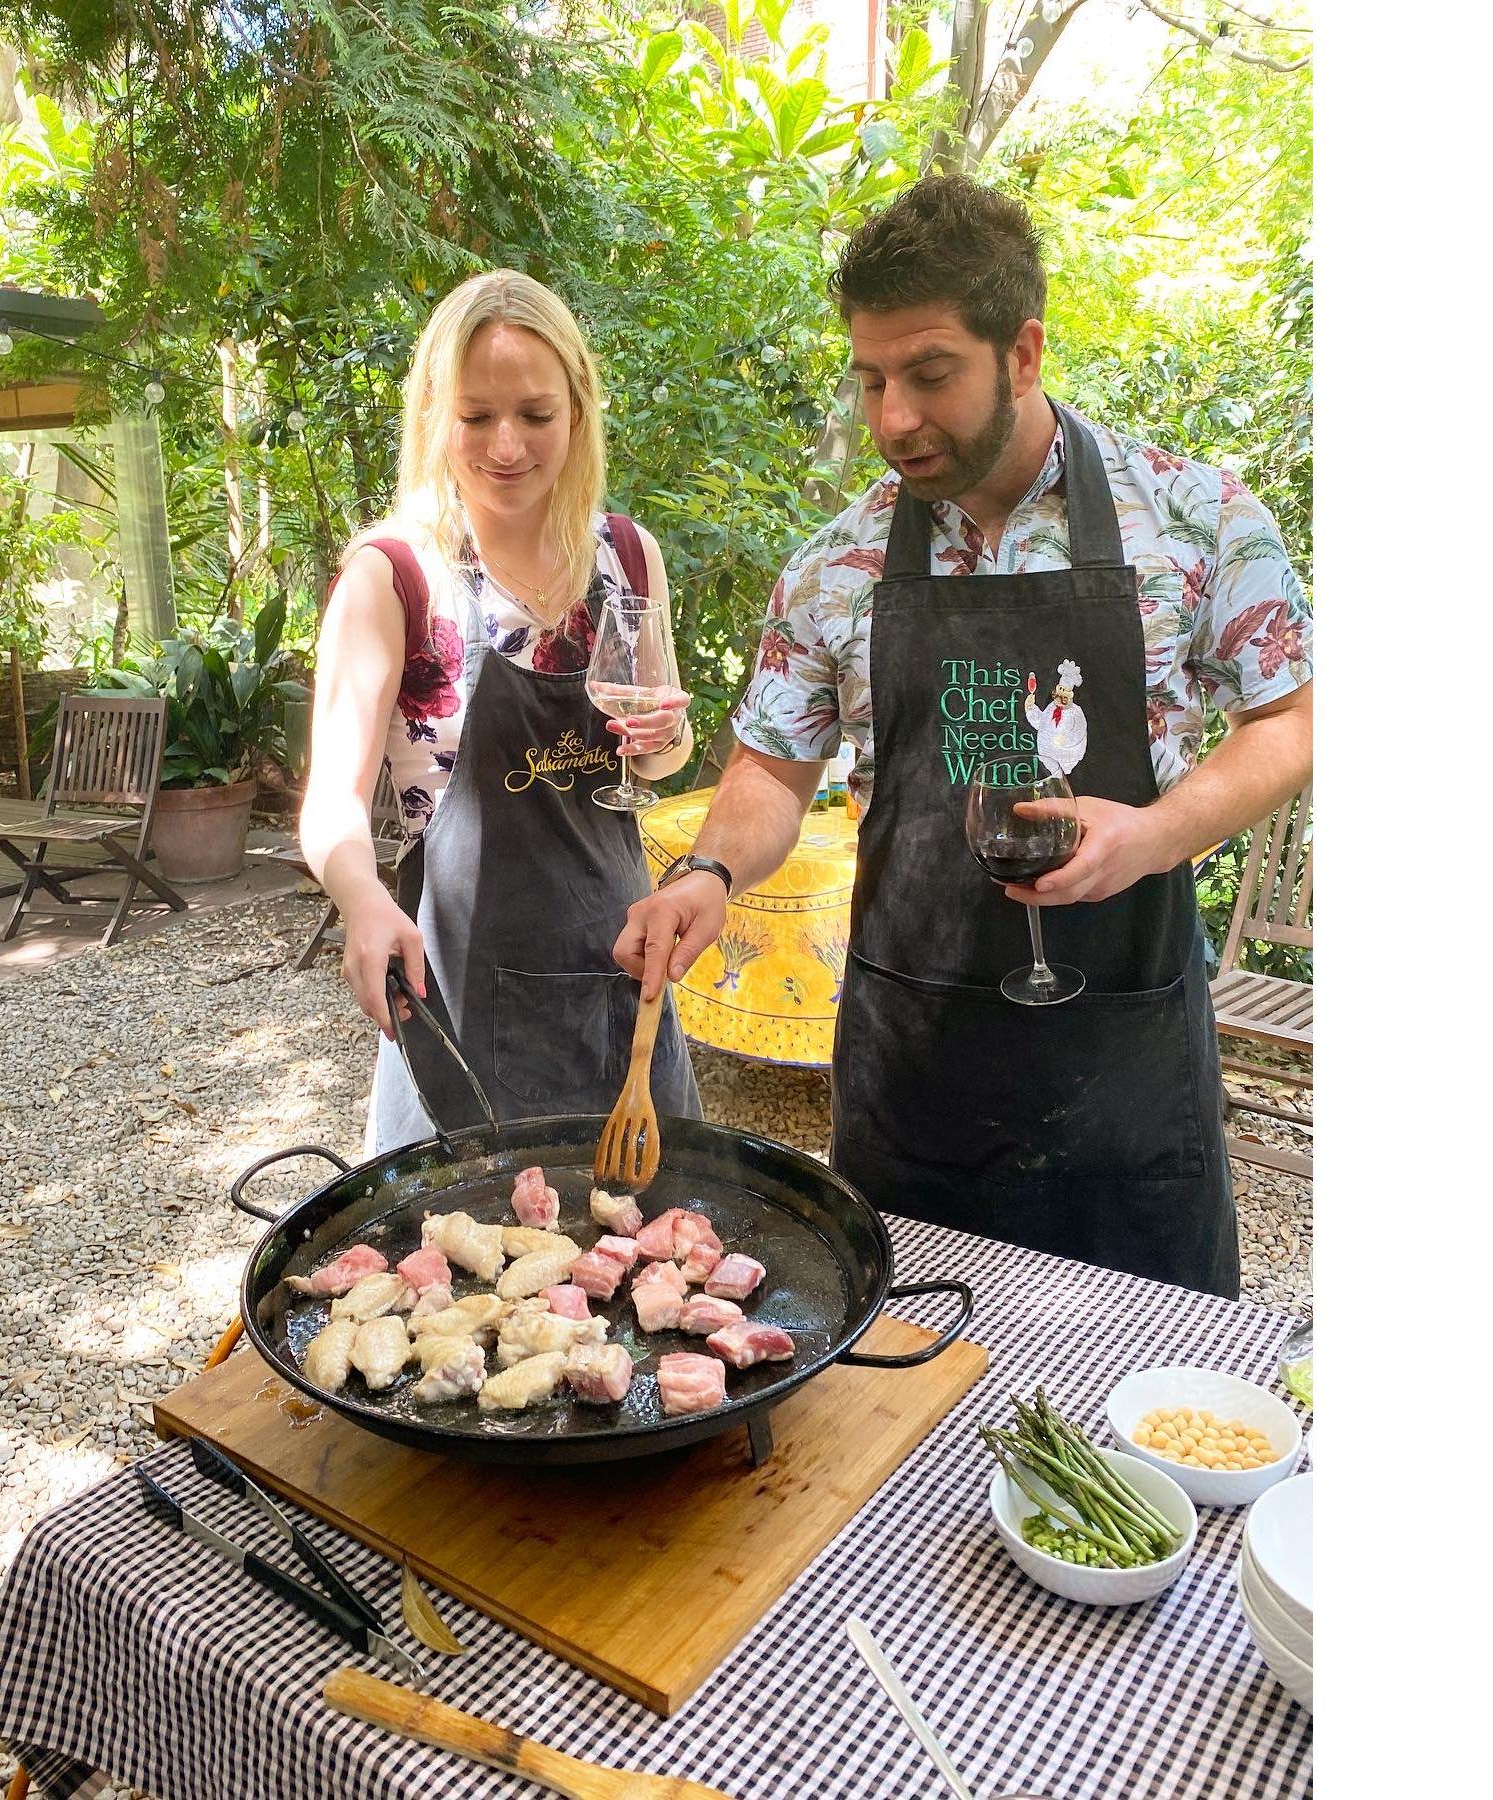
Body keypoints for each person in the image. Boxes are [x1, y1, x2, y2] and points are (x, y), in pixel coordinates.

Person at [616, 176, 1313, 1297]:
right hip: (913, 1075)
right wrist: (708, 871)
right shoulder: (833, 566)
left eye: (930, 374)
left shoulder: (1193, 518)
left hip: (1125, 1069)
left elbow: (1293, 719)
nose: (894, 417)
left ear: (1023, 352)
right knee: (901, 1413)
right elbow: (771, 769)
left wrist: (1155, 833)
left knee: (1143, 1433)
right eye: (874, 378)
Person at [301, 270, 702, 1153]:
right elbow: (330, 799)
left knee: (663, 1264)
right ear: (433, 416)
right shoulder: (395, 577)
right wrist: (362, 898)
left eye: (535, 414)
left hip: (622, 987)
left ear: (579, 411)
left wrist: (666, 736)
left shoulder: (628, 557)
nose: (507, 445)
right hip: (461, 1006)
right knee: (462, 1275)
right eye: (476, 416)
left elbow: (656, 759)